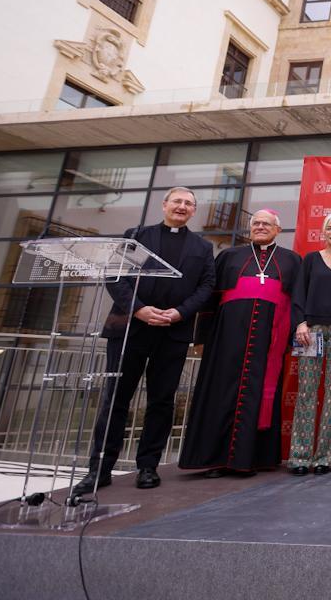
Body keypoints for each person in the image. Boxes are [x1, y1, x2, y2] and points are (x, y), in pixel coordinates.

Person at [71, 187, 215, 496]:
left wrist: (180, 312)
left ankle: (148, 467)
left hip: (173, 332)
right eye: (177, 201)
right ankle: (99, 469)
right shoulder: (136, 236)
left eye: (188, 203)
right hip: (130, 330)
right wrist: (138, 309)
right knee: (115, 400)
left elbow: (207, 286)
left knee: (161, 402)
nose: (182, 206)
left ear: (193, 211)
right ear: (164, 205)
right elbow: (115, 275)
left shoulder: (202, 247)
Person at [178, 209, 301, 477]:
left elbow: (298, 301)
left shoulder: (292, 260)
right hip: (227, 339)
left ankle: (253, 459)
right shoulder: (229, 256)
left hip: (269, 341)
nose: (260, 227)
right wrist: (202, 337)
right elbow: (210, 298)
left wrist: (294, 336)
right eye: (256, 223)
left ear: (277, 230)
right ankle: (217, 459)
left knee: (260, 393)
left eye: (266, 224)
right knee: (222, 394)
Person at [287, 211, 331, 476]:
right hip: (311, 330)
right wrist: (300, 323)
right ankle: (299, 456)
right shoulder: (311, 259)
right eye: (329, 227)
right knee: (306, 391)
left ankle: (325, 457)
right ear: (323, 232)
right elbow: (299, 294)